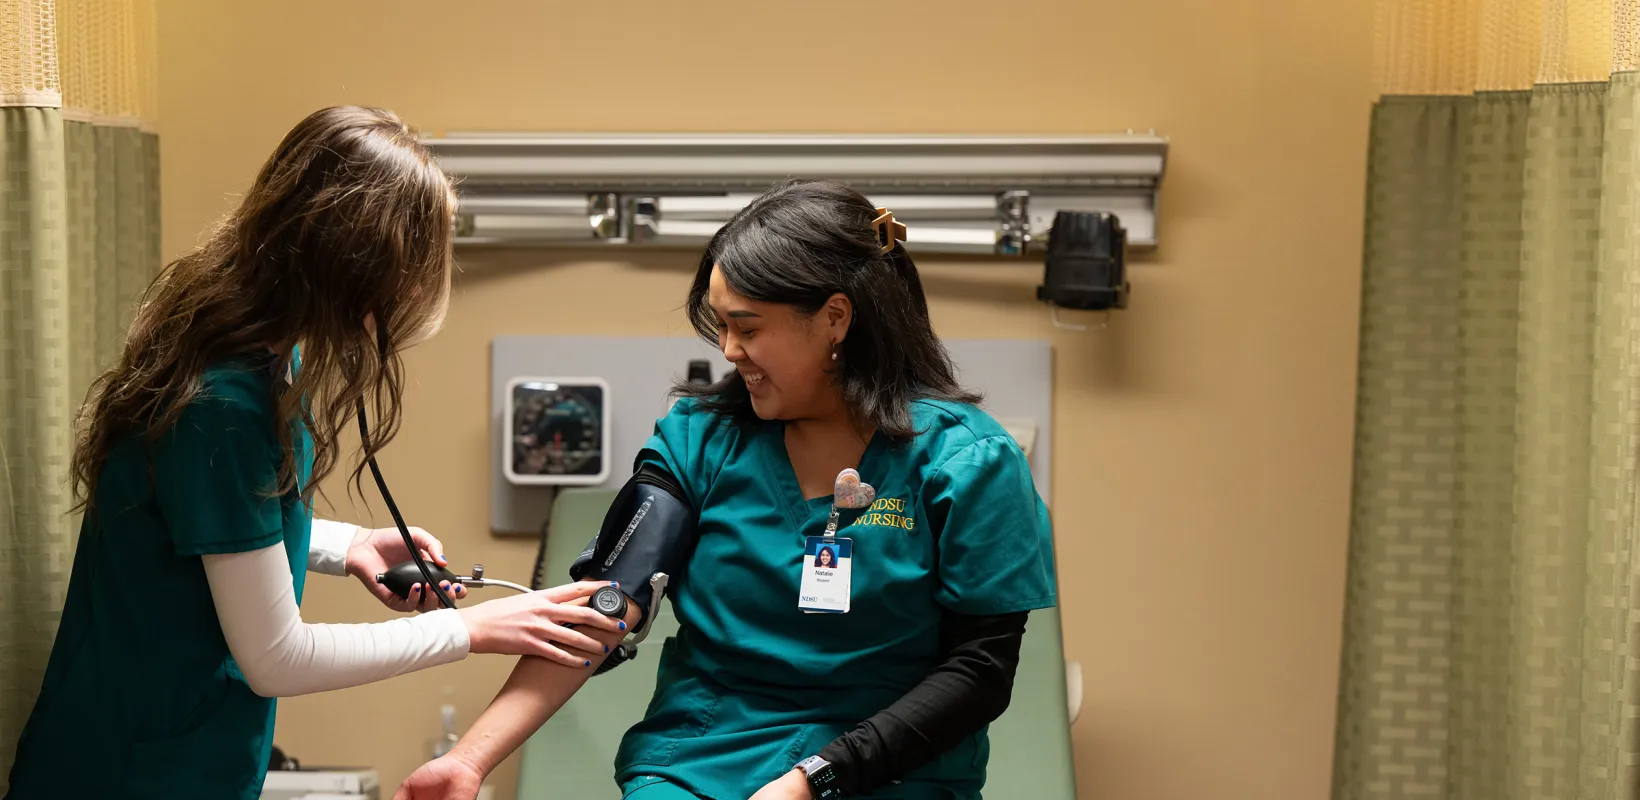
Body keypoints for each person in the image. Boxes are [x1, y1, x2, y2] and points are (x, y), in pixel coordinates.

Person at [2, 106, 623, 800]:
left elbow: (208, 519)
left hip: (178, 758)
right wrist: (471, 630)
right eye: (415, 263)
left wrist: (345, 544)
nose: (420, 287)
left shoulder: (247, 349)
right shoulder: (222, 405)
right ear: (356, 261)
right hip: (127, 776)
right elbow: (278, 659)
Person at [395, 179, 1057, 800]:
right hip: (697, 766)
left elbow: (981, 672)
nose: (729, 350)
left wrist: (815, 779)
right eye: (720, 326)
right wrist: (469, 759)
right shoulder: (701, 442)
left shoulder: (967, 462)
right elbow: (603, 607)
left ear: (835, 319)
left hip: (889, 775)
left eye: (749, 326)